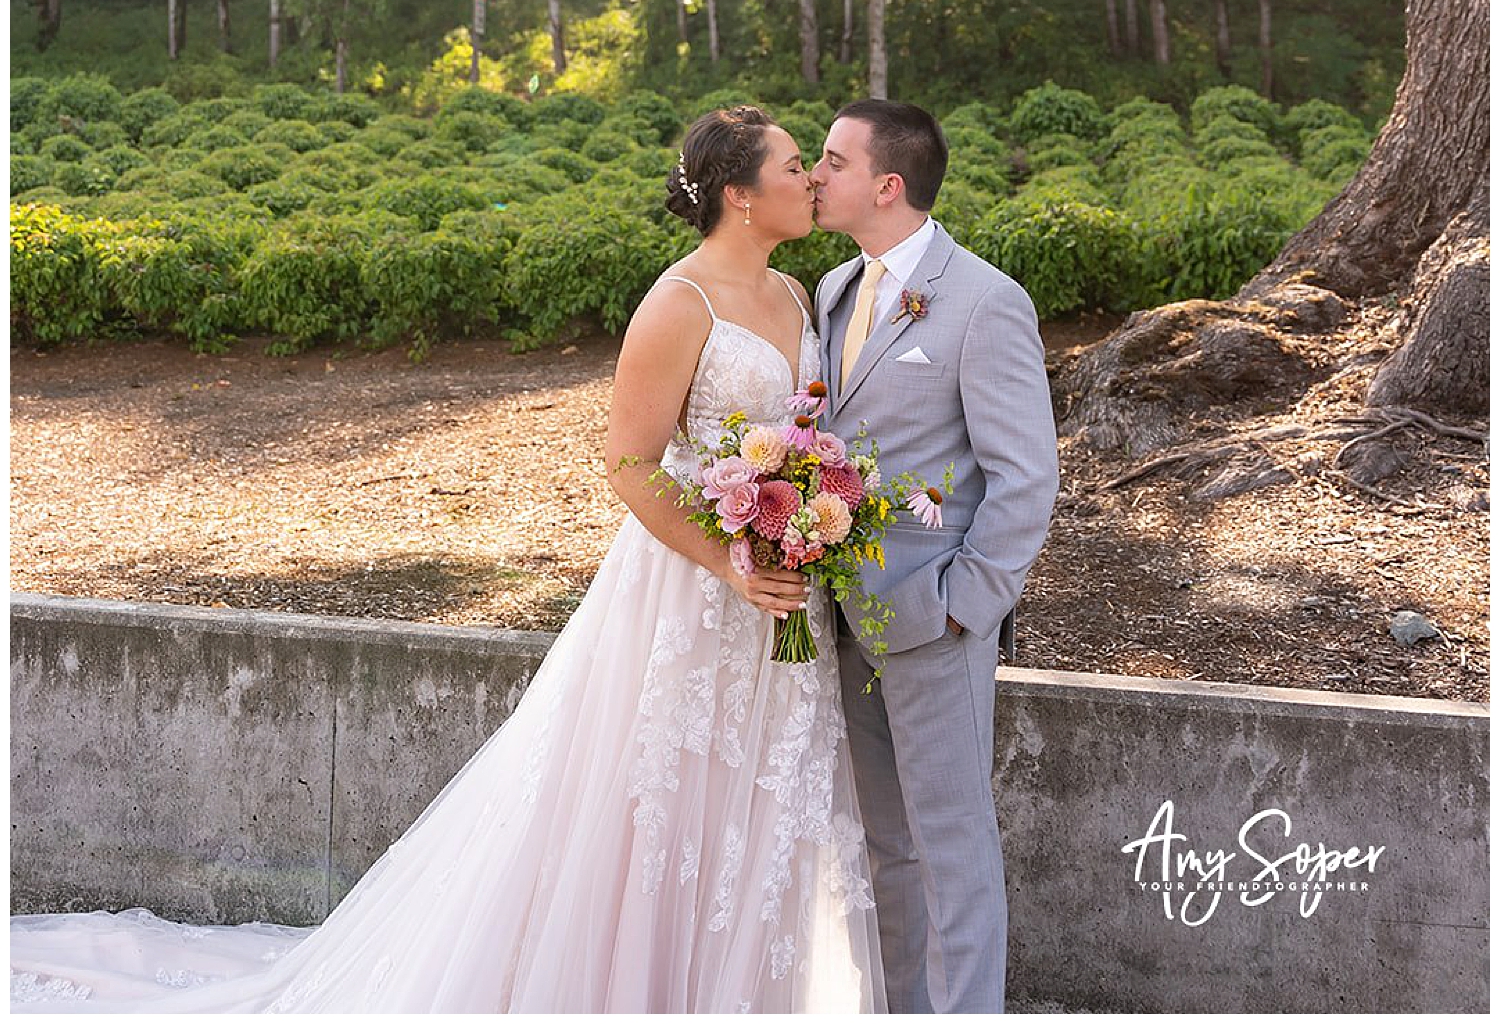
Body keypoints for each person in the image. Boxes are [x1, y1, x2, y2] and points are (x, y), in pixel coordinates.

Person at [11, 106, 885, 1015]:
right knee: (658, 798)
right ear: (740, 196)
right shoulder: (679, 303)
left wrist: (805, 521)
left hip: (782, 594)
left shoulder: (795, 295)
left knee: (759, 799)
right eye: (795, 166)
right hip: (691, 593)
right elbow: (629, 462)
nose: (812, 179)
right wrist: (729, 561)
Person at [810, 99, 1059, 1015]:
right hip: (838, 616)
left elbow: (1025, 477)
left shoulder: (986, 300)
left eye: (832, 160)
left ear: (888, 183)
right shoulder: (835, 291)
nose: (814, 175)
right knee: (886, 845)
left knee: (952, 846)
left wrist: (965, 604)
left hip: (935, 619)